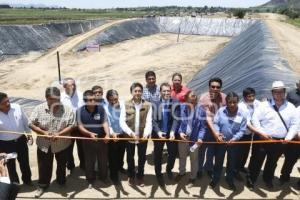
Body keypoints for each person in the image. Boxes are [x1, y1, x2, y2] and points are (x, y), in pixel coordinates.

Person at [247, 81, 298, 190]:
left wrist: (288, 137)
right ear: (272, 93)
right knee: (257, 160)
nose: (278, 94)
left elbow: (294, 124)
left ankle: (267, 178)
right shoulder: (264, 105)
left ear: (284, 92)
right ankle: (251, 179)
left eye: (281, 91)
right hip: (262, 139)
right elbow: (255, 119)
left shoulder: (291, 107)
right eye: (276, 92)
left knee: (272, 162)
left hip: (279, 141)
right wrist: (261, 133)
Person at [29, 87, 75, 198]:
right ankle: (43, 185)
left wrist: (60, 134)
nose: (55, 102)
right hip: (44, 145)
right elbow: (31, 123)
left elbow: (72, 125)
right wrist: (43, 132)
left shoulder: (67, 109)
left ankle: (61, 181)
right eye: (52, 99)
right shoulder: (38, 108)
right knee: (44, 166)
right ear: (46, 98)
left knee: (61, 165)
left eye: (57, 99)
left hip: (62, 144)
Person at [210, 92, 247, 190]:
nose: (232, 104)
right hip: (221, 142)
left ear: (238, 102)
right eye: (229, 102)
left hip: (234, 143)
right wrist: (217, 133)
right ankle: (215, 178)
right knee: (218, 161)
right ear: (226, 102)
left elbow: (242, 130)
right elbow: (216, 123)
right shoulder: (221, 111)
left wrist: (235, 139)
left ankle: (230, 180)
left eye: (234, 102)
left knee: (232, 163)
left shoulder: (242, 114)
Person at [120, 82, 152, 187]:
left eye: (139, 91)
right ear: (131, 92)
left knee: (142, 158)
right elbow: (122, 121)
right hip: (130, 137)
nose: (137, 93)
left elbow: (149, 121)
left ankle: (140, 176)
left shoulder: (148, 105)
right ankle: (131, 175)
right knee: (130, 158)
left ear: (142, 92)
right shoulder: (125, 104)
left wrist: (146, 134)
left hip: (143, 137)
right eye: (135, 91)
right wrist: (131, 133)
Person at [77, 90, 110, 188]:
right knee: (89, 161)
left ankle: (103, 177)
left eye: (94, 99)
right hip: (88, 140)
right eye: (90, 100)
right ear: (85, 101)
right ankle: (90, 180)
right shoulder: (79, 111)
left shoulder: (100, 109)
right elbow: (80, 126)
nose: (93, 101)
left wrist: (107, 134)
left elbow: (105, 123)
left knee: (103, 160)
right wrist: (89, 133)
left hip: (101, 140)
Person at [0, 92, 32, 185]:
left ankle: (27, 181)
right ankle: (15, 184)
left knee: (25, 162)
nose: (7, 104)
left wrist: (29, 135)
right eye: (3, 103)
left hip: (21, 140)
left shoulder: (17, 107)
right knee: (11, 166)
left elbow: (26, 122)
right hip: (6, 145)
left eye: (8, 101)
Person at [176, 91, 206, 187]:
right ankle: (182, 172)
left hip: (194, 139)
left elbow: (202, 127)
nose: (192, 101)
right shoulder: (181, 108)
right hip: (183, 138)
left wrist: (200, 138)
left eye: (194, 99)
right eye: (190, 99)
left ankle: (193, 177)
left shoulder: (201, 110)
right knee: (182, 157)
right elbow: (179, 123)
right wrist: (180, 132)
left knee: (194, 159)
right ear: (186, 99)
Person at [152, 83, 180, 186]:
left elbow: (176, 119)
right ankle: (158, 174)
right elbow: (153, 120)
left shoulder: (175, 102)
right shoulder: (155, 103)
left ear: (171, 91)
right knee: (158, 155)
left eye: (168, 91)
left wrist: (173, 131)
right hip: (158, 133)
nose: (166, 93)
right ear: (160, 92)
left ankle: (169, 169)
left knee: (172, 153)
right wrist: (158, 131)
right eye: (164, 91)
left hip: (170, 133)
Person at [198, 77, 226, 178]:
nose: (215, 89)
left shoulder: (224, 98)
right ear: (209, 87)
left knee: (211, 151)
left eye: (217, 87)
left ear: (220, 88)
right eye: (213, 86)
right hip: (205, 128)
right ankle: (199, 169)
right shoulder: (203, 98)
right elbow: (207, 117)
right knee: (201, 151)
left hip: (218, 129)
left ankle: (208, 168)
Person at [61, 77, 85, 171]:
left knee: (82, 148)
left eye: (74, 84)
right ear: (64, 86)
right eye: (71, 85)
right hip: (68, 128)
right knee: (68, 148)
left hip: (80, 127)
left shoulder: (81, 95)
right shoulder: (61, 98)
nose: (74, 86)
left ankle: (83, 165)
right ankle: (70, 165)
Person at [104, 89, 127, 185]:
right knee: (112, 156)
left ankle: (120, 167)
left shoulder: (122, 105)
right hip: (112, 134)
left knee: (121, 152)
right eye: (111, 100)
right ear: (107, 99)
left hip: (122, 133)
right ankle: (114, 175)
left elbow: (124, 119)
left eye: (115, 99)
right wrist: (112, 133)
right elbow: (108, 123)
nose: (113, 102)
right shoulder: (105, 108)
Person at [236, 88, 261, 177]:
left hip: (250, 133)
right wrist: (259, 132)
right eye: (249, 96)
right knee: (239, 153)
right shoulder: (240, 107)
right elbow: (246, 123)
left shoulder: (257, 103)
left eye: (253, 96)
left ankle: (241, 166)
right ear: (244, 97)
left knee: (246, 152)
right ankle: (235, 171)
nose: (251, 98)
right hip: (241, 133)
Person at [279, 80, 300, 186]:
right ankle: (284, 176)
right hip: (295, 138)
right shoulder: (296, 109)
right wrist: (294, 134)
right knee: (290, 159)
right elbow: (293, 122)